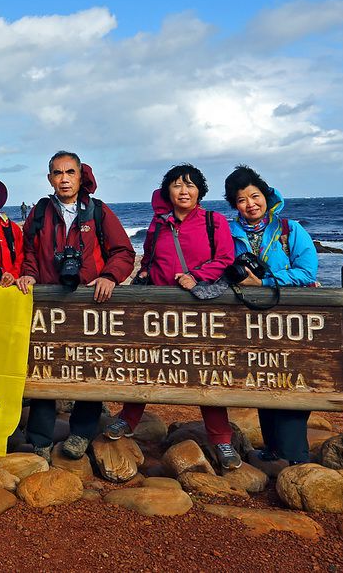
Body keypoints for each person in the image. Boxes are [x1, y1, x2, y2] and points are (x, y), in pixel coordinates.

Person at [105, 164, 240, 469]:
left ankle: (221, 439)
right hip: (160, 308)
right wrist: (145, 273)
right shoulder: (158, 224)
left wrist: (196, 276)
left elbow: (225, 259)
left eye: (190, 185)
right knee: (146, 362)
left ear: (200, 191)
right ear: (168, 191)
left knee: (205, 368)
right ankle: (128, 419)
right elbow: (149, 258)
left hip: (198, 308)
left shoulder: (213, 221)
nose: (184, 191)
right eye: (177, 185)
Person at [16, 152, 136, 459]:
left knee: (89, 366)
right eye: (58, 173)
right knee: (44, 366)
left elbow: (123, 251)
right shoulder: (40, 212)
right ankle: (40, 441)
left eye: (70, 172)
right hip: (49, 306)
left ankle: (81, 434)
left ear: (81, 176)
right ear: (50, 179)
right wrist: (29, 274)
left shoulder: (97, 211)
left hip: (89, 304)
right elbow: (28, 251)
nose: (64, 179)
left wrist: (109, 275)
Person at [224, 164, 319, 465]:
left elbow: (307, 272)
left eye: (255, 196)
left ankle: (296, 456)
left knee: (292, 378)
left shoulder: (290, 230)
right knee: (262, 376)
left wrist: (264, 282)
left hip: (291, 320)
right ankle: (273, 448)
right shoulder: (228, 233)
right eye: (241, 200)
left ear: (266, 196)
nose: (250, 204)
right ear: (234, 204)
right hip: (250, 319)